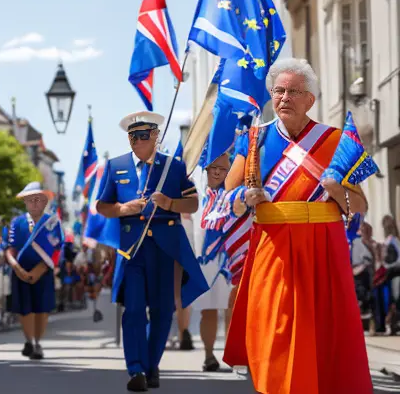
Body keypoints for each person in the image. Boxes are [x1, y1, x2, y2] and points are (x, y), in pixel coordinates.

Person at [221, 58, 373, 394]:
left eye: (293, 91)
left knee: (324, 332)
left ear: (310, 100)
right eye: (279, 91)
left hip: (324, 246)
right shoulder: (253, 140)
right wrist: (246, 197)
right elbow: (225, 198)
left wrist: (338, 193)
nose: (284, 98)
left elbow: (360, 206)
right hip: (272, 246)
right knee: (274, 329)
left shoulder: (335, 140)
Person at [96, 111, 206, 392]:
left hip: (165, 247)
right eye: (132, 135)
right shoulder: (115, 165)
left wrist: (169, 202)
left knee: (162, 310)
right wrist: (122, 209)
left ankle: (151, 363)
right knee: (132, 310)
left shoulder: (173, 167)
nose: (137, 140)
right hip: (132, 248)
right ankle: (135, 369)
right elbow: (102, 206)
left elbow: (193, 203)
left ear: (156, 136)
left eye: (144, 135)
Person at [5, 182, 57, 360]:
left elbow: (57, 249)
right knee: (25, 309)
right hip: (21, 272)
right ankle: (29, 340)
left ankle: (37, 342)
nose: (34, 203)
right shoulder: (17, 223)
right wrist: (17, 268)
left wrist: (39, 270)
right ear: (25, 202)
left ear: (44, 201)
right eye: (30, 200)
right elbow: (10, 249)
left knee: (42, 309)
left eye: (38, 199)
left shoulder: (51, 223)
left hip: (43, 271)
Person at [192, 153, 233, 372]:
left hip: (230, 256)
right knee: (207, 310)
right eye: (212, 168)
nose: (217, 172)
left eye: (222, 168)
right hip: (204, 258)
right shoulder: (196, 189)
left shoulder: (234, 189)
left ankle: (231, 352)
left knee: (232, 308)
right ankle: (209, 355)